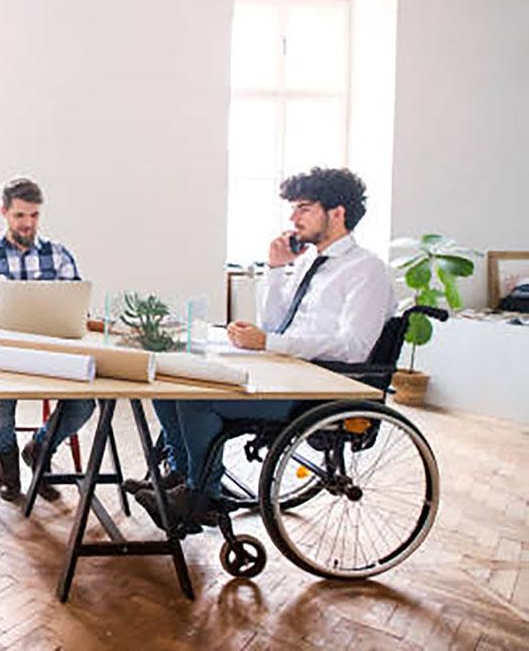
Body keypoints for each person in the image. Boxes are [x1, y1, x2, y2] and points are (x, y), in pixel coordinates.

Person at [132, 167, 395, 528]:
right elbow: (274, 324)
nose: (293, 218)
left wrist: (269, 342)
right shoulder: (307, 262)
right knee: (170, 382)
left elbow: (354, 347)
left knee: (198, 399)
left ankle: (201, 495)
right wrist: (274, 270)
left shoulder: (367, 270)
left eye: (304, 208)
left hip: (319, 387)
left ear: (338, 213)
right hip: (286, 371)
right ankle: (179, 476)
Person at [0, 177, 92, 502]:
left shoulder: (59, 256)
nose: (28, 223)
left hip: (51, 354)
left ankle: (39, 449)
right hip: (3, 356)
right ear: (4, 212)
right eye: (20, 216)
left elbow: (77, 309)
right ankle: (8, 463)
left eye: (34, 216)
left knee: (86, 403)